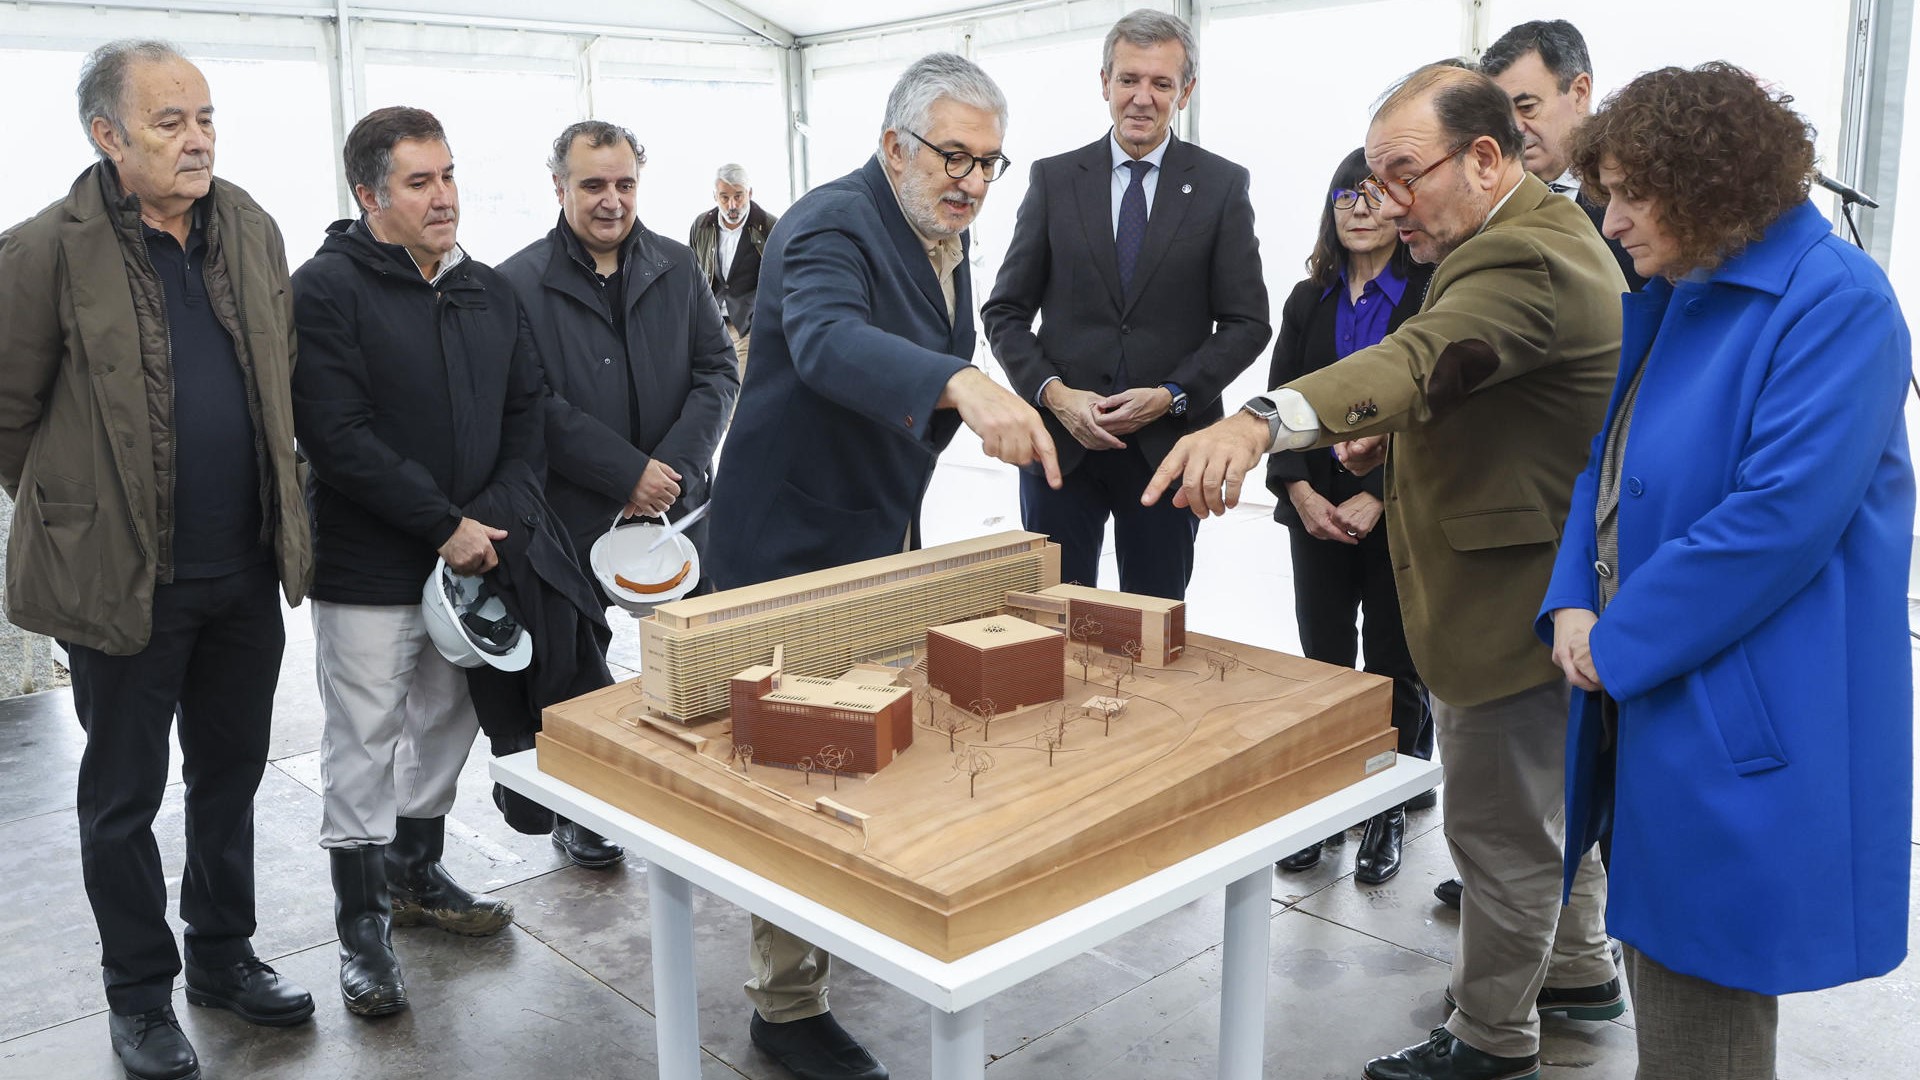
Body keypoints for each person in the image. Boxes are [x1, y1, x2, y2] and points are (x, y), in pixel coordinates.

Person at [1142, 63, 1624, 1080]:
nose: (1388, 202)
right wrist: (1392, 442)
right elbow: (1478, 388)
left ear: (1484, 157)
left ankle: (1492, 1037)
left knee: (1498, 833)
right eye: (1373, 179)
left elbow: (1417, 358)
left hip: (1510, 603)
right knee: (1547, 809)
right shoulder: (1517, 233)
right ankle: (1578, 971)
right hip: (1535, 586)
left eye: (1406, 174)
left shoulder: (1523, 253)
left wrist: (1261, 419)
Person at [1544, 62, 1913, 1080]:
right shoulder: (1687, 283)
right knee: (1667, 978)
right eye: (1606, 192)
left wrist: (1617, 639)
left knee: (1704, 1011)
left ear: (1713, 184)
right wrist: (1571, 597)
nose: (1611, 220)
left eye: (1632, 193)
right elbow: (1607, 462)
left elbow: (1776, 521)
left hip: (1730, 704)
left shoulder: (1838, 302)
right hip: (1652, 688)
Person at [706, 51, 1057, 1080]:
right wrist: (962, 382)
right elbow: (825, 341)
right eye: (953, 156)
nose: (972, 181)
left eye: (989, 163)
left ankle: (831, 935)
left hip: (877, 528)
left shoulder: (944, 232)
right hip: (791, 544)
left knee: (861, 745)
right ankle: (785, 1009)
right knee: (793, 766)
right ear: (893, 145)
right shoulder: (829, 223)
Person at [0, 39, 315, 1080]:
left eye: (205, 118)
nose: (197, 140)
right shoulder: (42, 250)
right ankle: (139, 995)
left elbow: (278, 372)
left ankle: (222, 957)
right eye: (169, 122)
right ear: (108, 135)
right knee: (122, 798)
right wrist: (79, 512)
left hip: (242, 570)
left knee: (229, 777)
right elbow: (8, 413)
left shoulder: (251, 228)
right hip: (123, 581)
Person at [292, 105, 542, 1019]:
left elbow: (528, 413)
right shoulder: (325, 290)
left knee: (445, 719)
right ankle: (362, 931)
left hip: (472, 562)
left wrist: (493, 519)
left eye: (448, 176)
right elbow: (336, 436)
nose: (444, 198)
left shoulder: (487, 291)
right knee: (363, 739)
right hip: (369, 568)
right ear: (369, 195)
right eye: (418, 182)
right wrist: (443, 524)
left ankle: (414, 872)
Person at [499, 119, 739, 868]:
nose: (612, 200)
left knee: (698, 651)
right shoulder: (517, 283)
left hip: (676, 507)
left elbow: (717, 371)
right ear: (559, 187)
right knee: (577, 668)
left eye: (625, 183)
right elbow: (530, 403)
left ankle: (710, 790)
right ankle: (587, 810)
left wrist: (669, 470)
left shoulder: (677, 265)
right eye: (593, 185)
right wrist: (623, 474)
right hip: (572, 512)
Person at [983, 8, 1269, 601]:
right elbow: (1005, 312)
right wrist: (1055, 396)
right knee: (1054, 616)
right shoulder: (1053, 180)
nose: (1142, 98)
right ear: (1104, 83)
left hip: (1168, 452)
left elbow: (1247, 322)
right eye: (1129, 79)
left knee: (1153, 623)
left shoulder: (1221, 186)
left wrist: (1172, 394)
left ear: (1185, 91)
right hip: (1061, 449)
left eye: (1161, 83)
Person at [1266, 148, 1435, 885]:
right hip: (1316, 508)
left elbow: (1439, 414)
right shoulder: (1310, 298)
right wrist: (1301, 494)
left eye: (1374, 194)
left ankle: (1386, 805)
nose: (1360, 209)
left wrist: (1383, 492)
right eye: (1346, 196)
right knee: (1324, 659)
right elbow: (1280, 402)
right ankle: (1327, 800)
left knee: (1395, 662)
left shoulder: (1431, 290)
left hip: (1398, 509)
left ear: (1401, 205)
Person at [1482, 19, 1645, 291]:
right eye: (1503, 115)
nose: (1514, 129)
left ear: (1580, 92)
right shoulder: (1491, 198)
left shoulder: (1637, 182)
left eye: (1527, 107)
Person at [689, 163, 776, 371]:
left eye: (738, 196)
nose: (732, 205)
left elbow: (779, 276)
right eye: (724, 197)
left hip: (749, 325)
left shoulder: (769, 226)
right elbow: (691, 274)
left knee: (740, 382)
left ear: (750, 193)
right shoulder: (701, 226)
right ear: (715, 196)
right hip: (710, 323)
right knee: (713, 381)